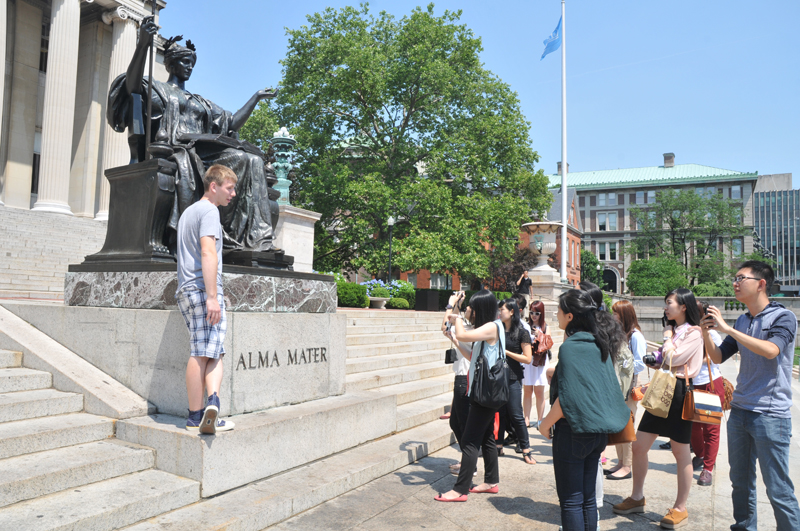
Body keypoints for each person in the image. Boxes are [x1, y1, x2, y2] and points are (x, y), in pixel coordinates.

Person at [109, 16, 278, 252]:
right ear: (171, 63)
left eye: (192, 63)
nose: (189, 67)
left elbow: (231, 123)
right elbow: (132, 87)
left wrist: (256, 98)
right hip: (176, 150)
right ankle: (212, 234)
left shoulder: (201, 102)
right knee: (235, 159)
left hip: (206, 154)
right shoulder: (156, 88)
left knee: (252, 160)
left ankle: (257, 240)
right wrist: (142, 46)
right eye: (185, 61)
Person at [701, 261, 800, 530]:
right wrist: (707, 331)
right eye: (734, 278)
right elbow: (718, 356)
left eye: (741, 278)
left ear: (761, 283)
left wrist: (728, 329)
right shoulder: (743, 319)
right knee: (741, 484)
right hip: (741, 410)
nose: (735, 282)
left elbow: (771, 350)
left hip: (770, 414)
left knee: (778, 489)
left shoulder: (784, 317)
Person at [537, 290, 630, 531]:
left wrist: (545, 424)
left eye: (558, 311)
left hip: (573, 431)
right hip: (597, 432)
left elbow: (568, 398)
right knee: (588, 500)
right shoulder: (599, 342)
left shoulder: (570, 347)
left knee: (570, 502)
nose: (555, 315)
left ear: (569, 316)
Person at [613, 288, 704, 529]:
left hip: (679, 393)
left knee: (680, 450)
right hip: (661, 389)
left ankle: (680, 507)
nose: (666, 307)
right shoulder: (676, 331)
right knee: (639, 444)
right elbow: (657, 358)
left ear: (684, 306)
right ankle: (636, 497)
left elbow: (674, 358)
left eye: (669, 303)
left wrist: (665, 341)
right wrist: (661, 352)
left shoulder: (694, 332)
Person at [176, 164, 238, 434]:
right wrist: (213, 297)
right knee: (202, 352)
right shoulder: (210, 210)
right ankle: (195, 415)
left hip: (187, 289)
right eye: (229, 188)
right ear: (214, 186)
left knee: (212, 349)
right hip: (203, 289)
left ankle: (211, 403)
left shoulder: (188, 212)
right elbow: (207, 252)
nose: (233, 194)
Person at [435, 290, 506, 502]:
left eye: (470, 307)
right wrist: (455, 341)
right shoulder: (488, 328)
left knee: (469, 441)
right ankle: (491, 481)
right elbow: (471, 355)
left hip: (484, 393)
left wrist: (453, 313)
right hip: (484, 391)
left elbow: (465, 334)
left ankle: (460, 489)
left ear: (479, 309)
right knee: (486, 438)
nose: (467, 310)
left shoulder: (492, 326)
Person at [608, 300, 647, 481]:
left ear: (624, 315)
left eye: (616, 313)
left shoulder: (635, 336)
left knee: (627, 424)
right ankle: (620, 461)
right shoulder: (619, 334)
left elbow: (640, 363)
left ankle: (627, 465)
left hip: (629, 386)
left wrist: (625, 365)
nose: (613, 316)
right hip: (617, 385)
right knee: (618, 424)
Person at [496, 298, 535, 465]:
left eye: (502, 309)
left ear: (512, 311)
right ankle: (498, 446)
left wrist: (505, 352)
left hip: (513, 377)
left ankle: (526, 449)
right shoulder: (496, 329)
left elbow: (527, 358)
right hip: (497, 376)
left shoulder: (522, 331)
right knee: (500, 413)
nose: (499, 312)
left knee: (516, 414)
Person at [690, 300, 725, 487]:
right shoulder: (686, 332)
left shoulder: (712, 334)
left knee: (711, 430)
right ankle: (701, 455)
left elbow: (717, 358)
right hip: (691, 386)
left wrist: (695, 358)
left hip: (709, 385)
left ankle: (708, 468)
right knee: (693, 429)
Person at [442, 291, 473, 476]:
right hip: (462, 377)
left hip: (465, 378)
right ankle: (467, 461)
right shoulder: (469, 327)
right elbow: (449, 327)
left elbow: (445, 326)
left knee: (461, 423)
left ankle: (469, 464)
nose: (465, 308)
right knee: (457, 422)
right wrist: (456, 305)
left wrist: (449, 304)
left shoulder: (468, 330)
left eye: (468, 308)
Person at [523, 300, 550, 429]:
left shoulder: (545, 327)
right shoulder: (525, 326)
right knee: (527, 391)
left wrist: (540, 335)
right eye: (532, 312)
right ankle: (526, 419)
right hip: (528, 361)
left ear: (541, 313)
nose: (534, 315)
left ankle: (540, 420)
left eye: (537, 313)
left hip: (540, 362)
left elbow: (549, 343)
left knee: (539, 392)